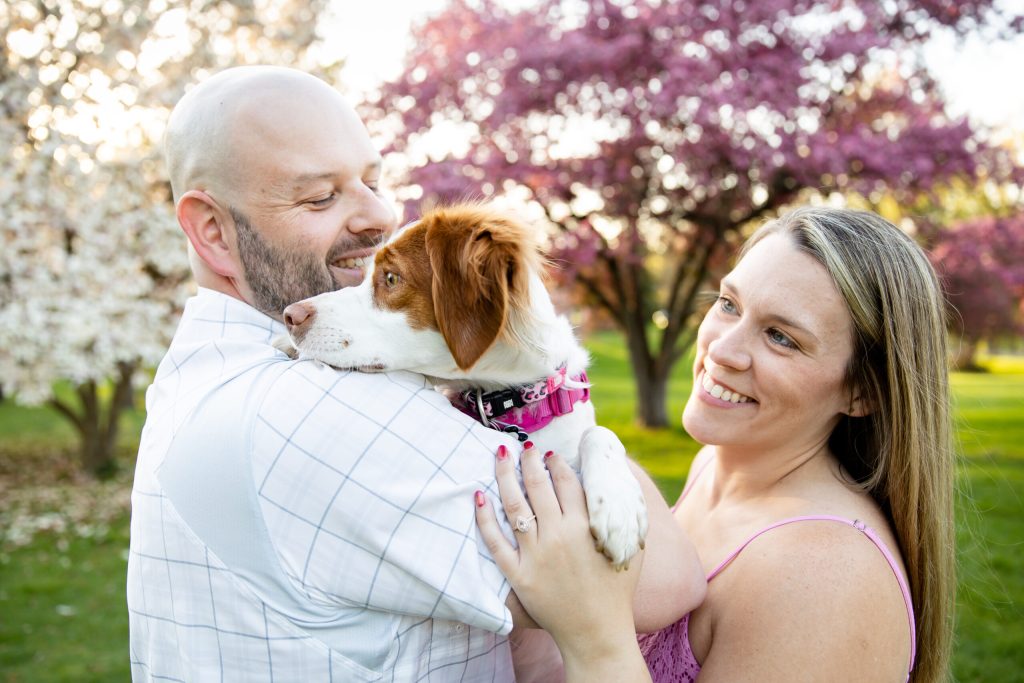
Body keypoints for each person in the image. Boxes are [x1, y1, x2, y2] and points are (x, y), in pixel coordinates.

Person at [127, 65, 705, 682]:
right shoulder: (321, 410)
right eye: (320, 196)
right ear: (213, 231)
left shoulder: (197, 377)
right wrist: (568, 410)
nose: (379, 215)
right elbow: (662, 579)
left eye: (373, 182)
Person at [478, 206, 955, 682]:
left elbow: (599, 640)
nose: (721, 350)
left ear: (863, 392)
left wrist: (592, 637)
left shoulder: (828, 577)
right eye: (729, 305)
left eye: (780, 337)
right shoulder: (715, 466)